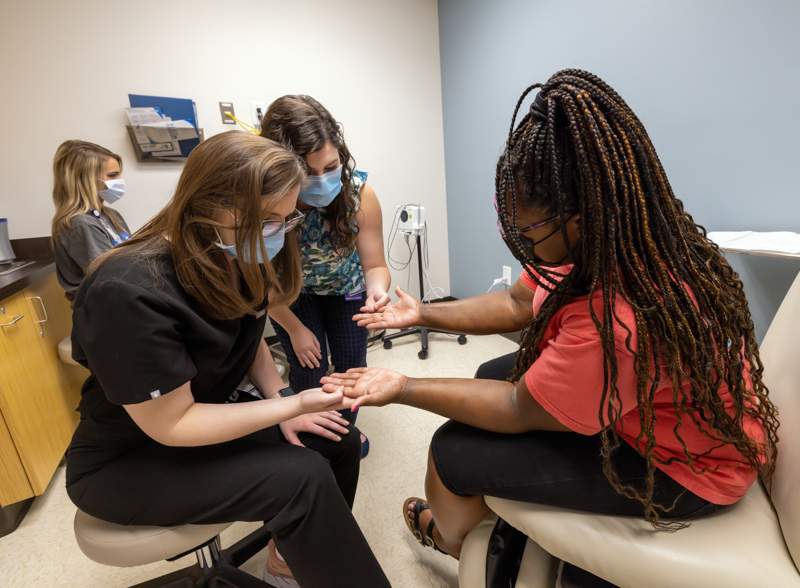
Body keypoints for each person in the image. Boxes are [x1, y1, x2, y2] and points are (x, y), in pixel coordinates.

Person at [322, 69, 779, 572]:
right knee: (486, 374)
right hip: (654, 408)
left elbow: (519, 407)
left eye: (525, 230)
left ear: (578, 216)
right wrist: (423, 310)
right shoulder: (608, 236)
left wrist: (404, 385)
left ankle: (453, 541)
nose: (515, 238)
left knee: (450, 452)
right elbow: (518, 305)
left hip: (689, 468)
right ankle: (503, 526)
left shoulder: (621, 313)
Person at [65, 132, 391, 588]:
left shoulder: (234, 252)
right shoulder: (127, 289)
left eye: (284, 218)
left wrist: (281, 396)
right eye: (266, 218)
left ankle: (290, 561)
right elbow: (171, 424)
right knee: (300, 476)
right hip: (128, 459)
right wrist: (294, 404)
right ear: (207, 202)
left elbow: (248, 332)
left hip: (203, 422)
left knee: (336, 440)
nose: (277, 230)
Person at [260, 95, 391, 458]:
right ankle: (310, 429)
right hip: (291, 296)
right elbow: (263, 282)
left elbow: (375, 265)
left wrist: (377, 293)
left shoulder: (358, 196)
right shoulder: (269, 203)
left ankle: (344, 430)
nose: (322, 181)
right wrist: (294, 328)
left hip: (347, 291)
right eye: (307, 174)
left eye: (330, 167)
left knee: (351, 368)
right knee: (308, 368)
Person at [51, 140, 131, 301]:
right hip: (105, 307)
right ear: (85, 179)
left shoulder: (110, 215)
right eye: (112, 175)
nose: (120, 180)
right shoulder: (80, 224)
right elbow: (112, 274)